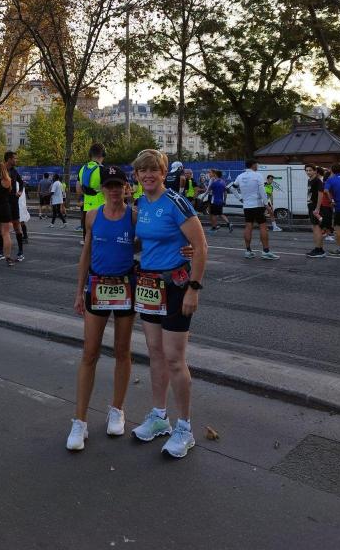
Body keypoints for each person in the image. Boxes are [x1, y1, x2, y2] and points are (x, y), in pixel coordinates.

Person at [130, 150, 208, 459]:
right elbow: (144, 241)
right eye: (142, 171)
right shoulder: (141, 204)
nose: (148, 175)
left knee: (175, 358)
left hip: (177, 287)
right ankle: (159, 416)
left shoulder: (175, 202)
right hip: (149, 286)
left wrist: (194, 289)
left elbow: (201, 246)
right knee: (155, 353)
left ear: (164, 173)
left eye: (154, 170)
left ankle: (184, 428)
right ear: (136, 176)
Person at [67, 166, 137, 451]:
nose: (114, 190)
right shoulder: (92, 216)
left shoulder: (134, 216)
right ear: (103, 188)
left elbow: (155, 241)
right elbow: (85, 254)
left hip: (125, 288)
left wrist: (186, 250)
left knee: (122, 350)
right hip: (96, 287)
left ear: (126, 187)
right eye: (109, 185)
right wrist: (79, 291)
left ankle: (117, 410)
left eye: (118, 185)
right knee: (89, 352)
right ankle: (79, 421)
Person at [233, 161, 279, 260]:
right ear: (253, 165)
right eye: (256, 164)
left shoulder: (240, 176)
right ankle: (266, 251)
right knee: (263, 226)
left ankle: (248, 251)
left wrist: (240, 198)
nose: (257, 166)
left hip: (247, 205)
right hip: (257, 204)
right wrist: (267, 204)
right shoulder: (258, 175)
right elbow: (262, 191)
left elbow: (232, 188)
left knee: (248, 226)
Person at [77, 143, 106, 246]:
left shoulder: (82, 169)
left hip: (87, 208)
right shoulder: (102, 170)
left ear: (90, 154)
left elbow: (78, 190)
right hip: (101, 209)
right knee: (101, 240)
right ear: (103, 154)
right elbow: (106, 191)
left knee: (87, 240)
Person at [0, 152, 25, 262]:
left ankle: (20, 252)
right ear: (9, 159)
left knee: (17, 227)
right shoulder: (0, 170)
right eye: (14, 158)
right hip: (3, 202)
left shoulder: (14, 171)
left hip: (13, 202)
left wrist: (19, 192)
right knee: (1, 229)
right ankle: (0, 252)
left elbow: (22, 182)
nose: (16, 160)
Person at [305, 164, 325, 258]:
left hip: (315, 207)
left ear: (315, 171)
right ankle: (320, 249)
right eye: (307, 170)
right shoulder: (310, 180)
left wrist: (317, 208)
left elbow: (320, 194)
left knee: (316, 228)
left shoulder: (317, 181)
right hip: (311, 205)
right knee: (316, 228)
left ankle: (318, 250)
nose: (308, 172)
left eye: (310, 170)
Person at [318, 168, 335, 242]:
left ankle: (324, 233)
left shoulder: (326, 183)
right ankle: (327, 235)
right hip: (326, 204)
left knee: (326, 220)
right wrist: (331, 200)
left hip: (326, 204)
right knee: (327, 220)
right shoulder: (326, 183)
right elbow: (326, 192)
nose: (333, 176)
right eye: (331, 175)